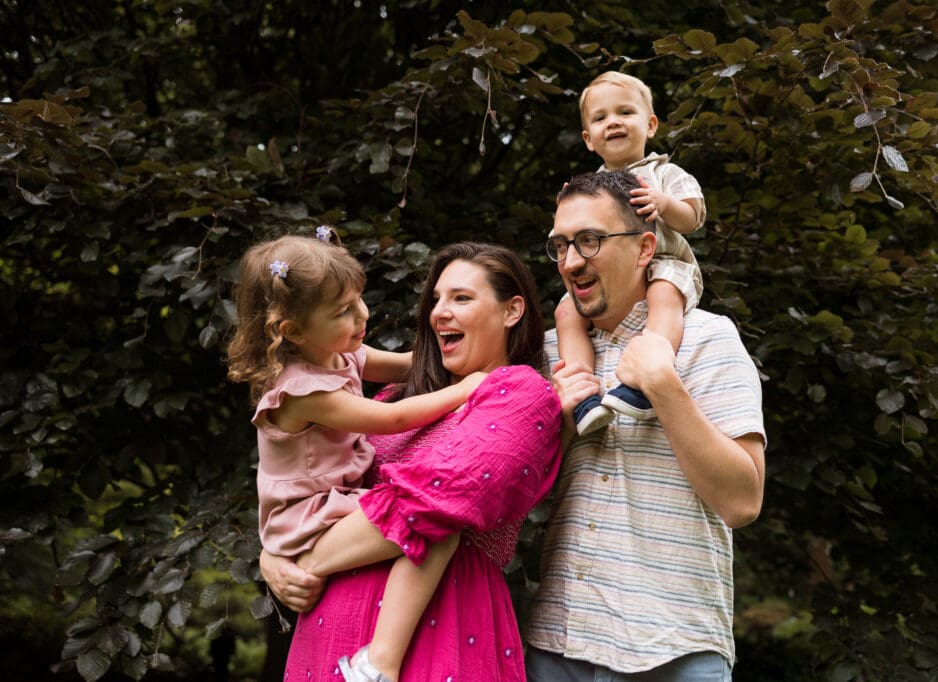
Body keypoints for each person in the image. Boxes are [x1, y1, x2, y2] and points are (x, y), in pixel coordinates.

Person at [257, 242, 563, 682]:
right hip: (332, 630)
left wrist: (308, 560)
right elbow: (316, 487)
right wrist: (273, 555)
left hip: (444, 621)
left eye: (461, 297)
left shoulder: (518, 390)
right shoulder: (395, 399)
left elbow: (443, 494)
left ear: (512, 310)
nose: (439, 311)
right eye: (435, 299)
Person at [526, 170, 766, 681]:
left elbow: (743, 502)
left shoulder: (708, 340)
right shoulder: (548, 355)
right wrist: (562, 427)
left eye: (589, 240)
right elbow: (506, 498)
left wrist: (662, 383)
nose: (570, 262)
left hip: (671, 646)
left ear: (644, 248)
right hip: (557, 643)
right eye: (560, 245)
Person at [227, 231, 494, 681]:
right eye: (342, 311)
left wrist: (477, 351)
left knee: (429, 520)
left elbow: (414, 362)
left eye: (358, 300)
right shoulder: (300, 391)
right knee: (434, 524)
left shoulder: (339, 354)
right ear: (293, 331)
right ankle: (378, 664)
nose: (362, 315)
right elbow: (392, 419)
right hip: (307, 517)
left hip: (335, 504)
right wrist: (468, 388)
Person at [558, 70, 707, 436]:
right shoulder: (590, 185)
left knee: (663, 296)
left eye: (625, 112)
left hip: (667, 266)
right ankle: (582, 394)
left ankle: (642, 379)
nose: (613, 123)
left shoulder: (665, 173)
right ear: (588, 139)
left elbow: (693, 218)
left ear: (651, 124)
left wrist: (664, 203)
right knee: (566, 310)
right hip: (612, 275)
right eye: (600, 117)